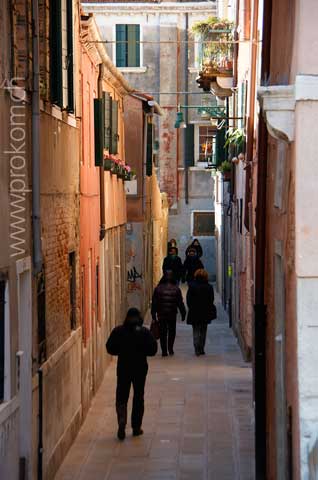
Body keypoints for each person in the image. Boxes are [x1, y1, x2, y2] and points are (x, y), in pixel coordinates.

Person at [106, 308, 157, 441]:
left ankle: (122, 420)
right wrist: (143, 351)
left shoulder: (119, 331)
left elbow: (109, 347)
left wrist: (121, 350)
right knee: (138, 397)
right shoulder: (144, 332)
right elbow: (153, 349)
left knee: (122, 396)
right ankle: (136, 427)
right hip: (140, 369)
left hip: (123, 368)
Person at [151, 271, 186, 356]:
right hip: (172, 313)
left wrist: (153, 313)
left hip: (161, 314)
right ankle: (170, 349)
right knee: (172, 331)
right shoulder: (176, 289)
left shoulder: (158, 288)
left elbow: (154, 303)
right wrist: (183, 313)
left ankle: (164, 351)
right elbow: (180, 303)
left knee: (163, 332)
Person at [186, 269, 215, 356]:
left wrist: (191, 307)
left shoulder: (192, 286)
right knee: (203, 330)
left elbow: (188, 299)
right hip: (205, 312)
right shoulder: (209, 287)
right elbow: (211, 299)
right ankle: (201, 348)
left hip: (194, 311)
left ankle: (196, 348)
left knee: (196, 330)